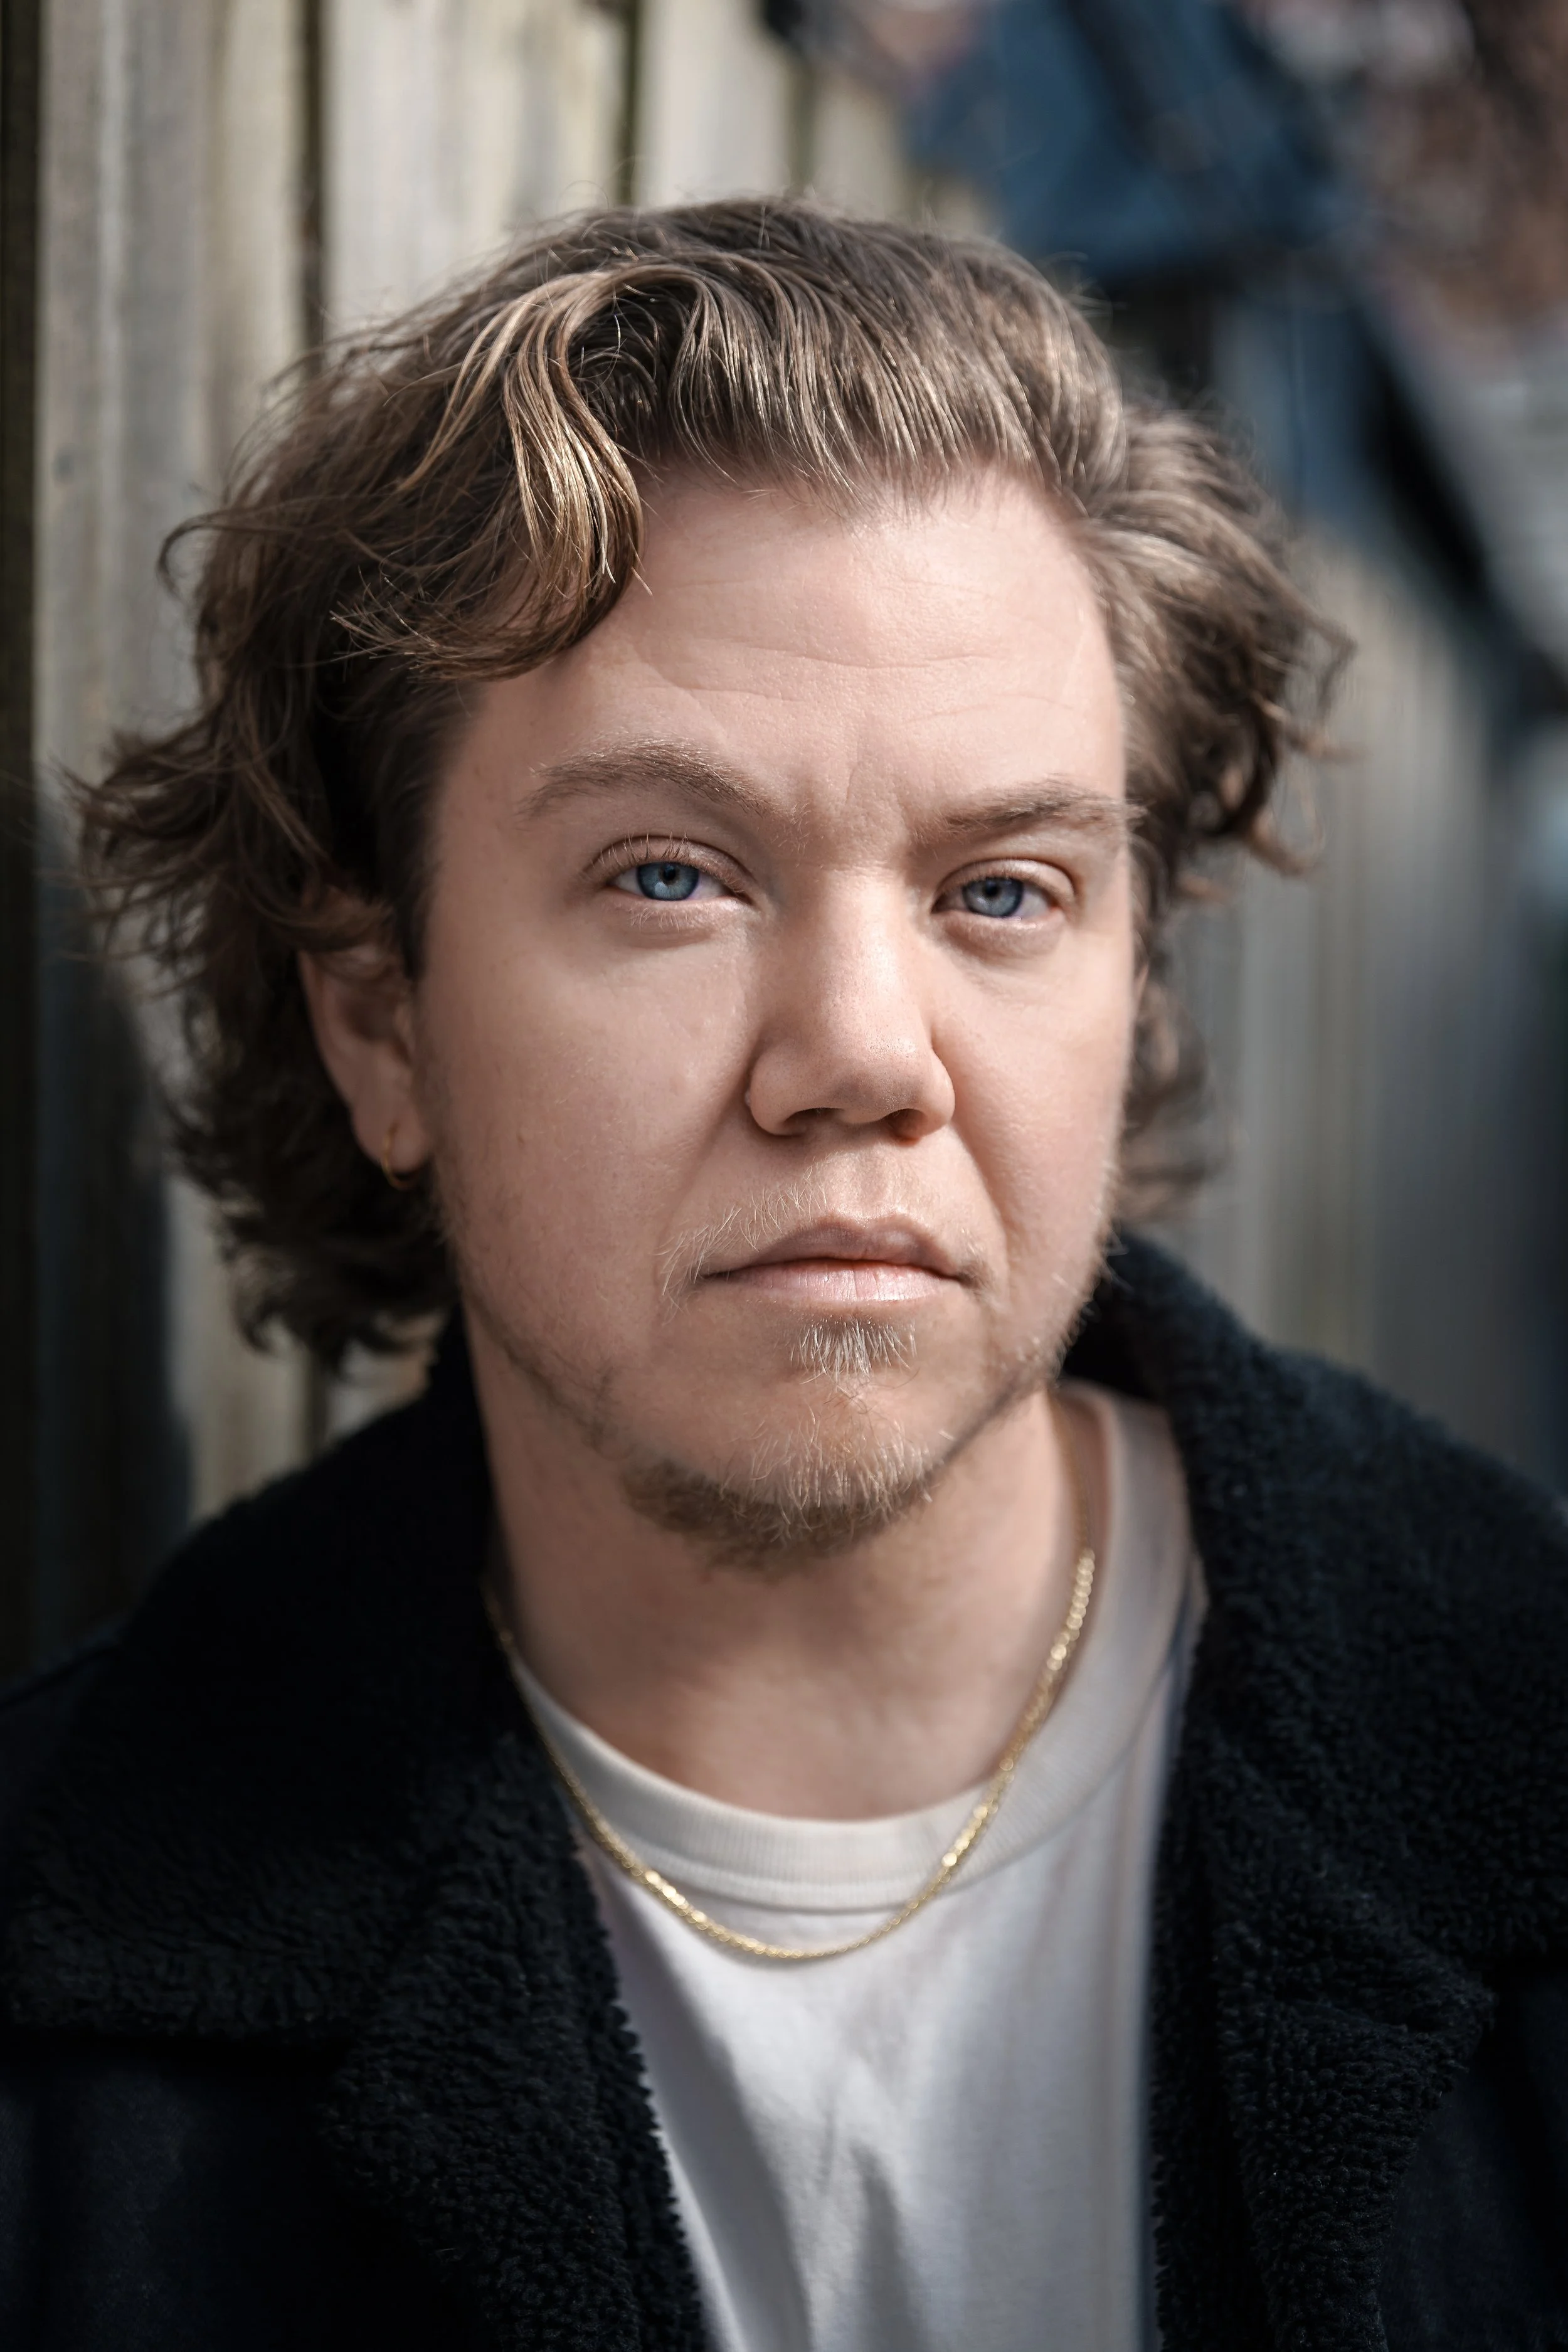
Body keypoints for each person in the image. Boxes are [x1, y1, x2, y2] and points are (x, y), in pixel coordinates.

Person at [2, 199, 1565, 2352]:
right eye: (670, 873)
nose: (858, 1052)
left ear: (1132, 981)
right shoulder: (67, 2005)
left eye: (1000, 889)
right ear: (379, 1021)